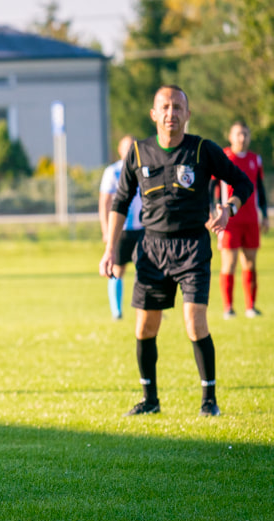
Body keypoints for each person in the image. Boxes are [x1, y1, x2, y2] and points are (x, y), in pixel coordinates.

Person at [99, 85, 254, 417]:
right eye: (165, 107)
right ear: (154, 114)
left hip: (193, 247)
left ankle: (209, 401)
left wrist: (229, 208)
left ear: (188, 114)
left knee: (194, 323)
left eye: (178, 107)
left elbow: (244, 183)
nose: (171, 114)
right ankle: (150, 400)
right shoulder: (138, 153)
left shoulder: (202, 150)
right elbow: (120, 202)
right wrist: (110, 249)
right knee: (144, 328)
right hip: (151, 248)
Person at [214, 121, 268, 319]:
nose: (242, 138)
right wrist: (213, 211)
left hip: (251, 219)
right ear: (230, 136)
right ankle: (228, 307)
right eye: (238, 134)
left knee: (251, 263)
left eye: (245, 134)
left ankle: (250, 306)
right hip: (230, 220)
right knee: (229, 263)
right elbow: (214, 188)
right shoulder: (224, 157)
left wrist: (264, 215)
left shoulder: (256, 159)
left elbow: (260, 188)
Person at [99, 134, 144, 320]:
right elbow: (105, 203)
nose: (129, 151)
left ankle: (148, 307)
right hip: (121, 230)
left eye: (133, 147)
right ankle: (116, 310)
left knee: (146, 269)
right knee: (118, 269)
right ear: (120, 150)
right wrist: (105, 230)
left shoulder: (144, 169)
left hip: (143, 228)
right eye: (126, 147)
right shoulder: (113, 172)